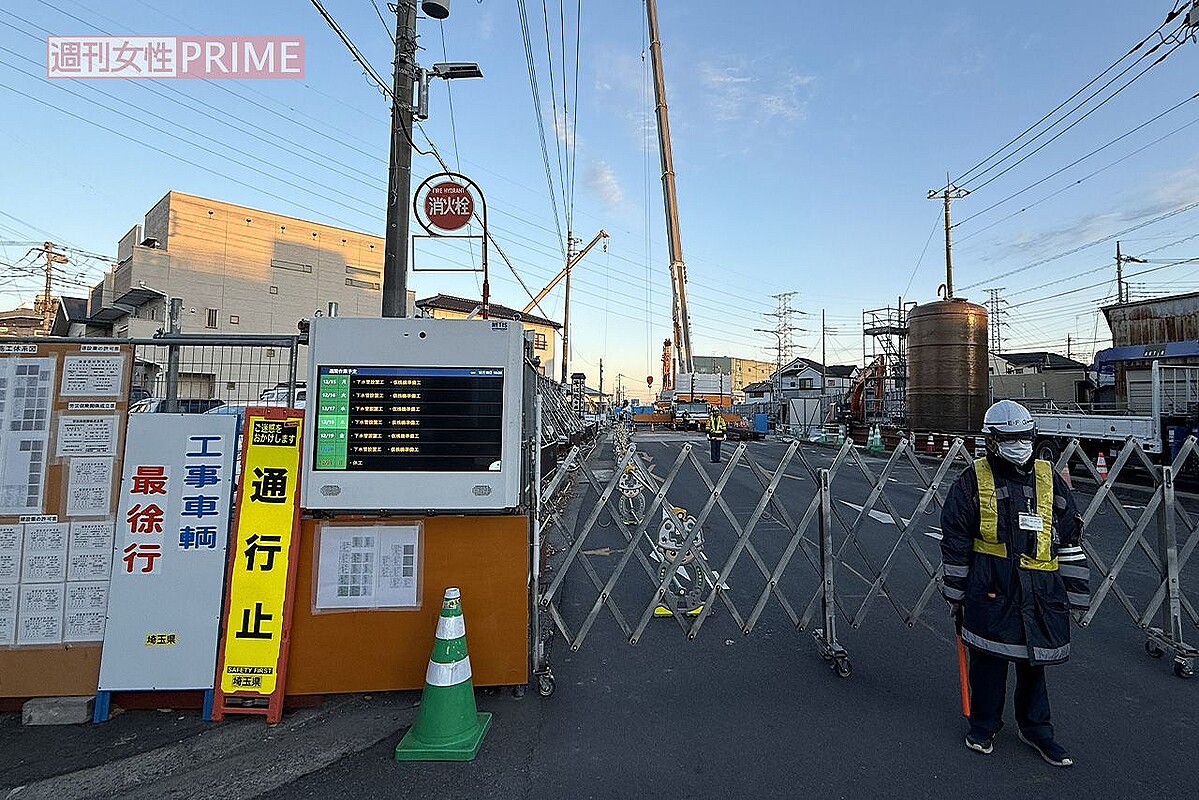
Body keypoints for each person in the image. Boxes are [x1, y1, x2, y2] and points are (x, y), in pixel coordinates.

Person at [940, 399, 1090, 767]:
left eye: (1024, 438)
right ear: (992, 440)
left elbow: (1069, 539)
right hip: (991, 588)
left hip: (1040, 591)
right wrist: (955, 596)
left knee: (1033, 663)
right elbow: (956, 540)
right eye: (1010, 439)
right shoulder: (973, 480)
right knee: (988, 663)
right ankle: (984, 724)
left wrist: (1077, 596)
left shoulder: (1047, 477)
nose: (1019, 445)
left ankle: (1037, 729)